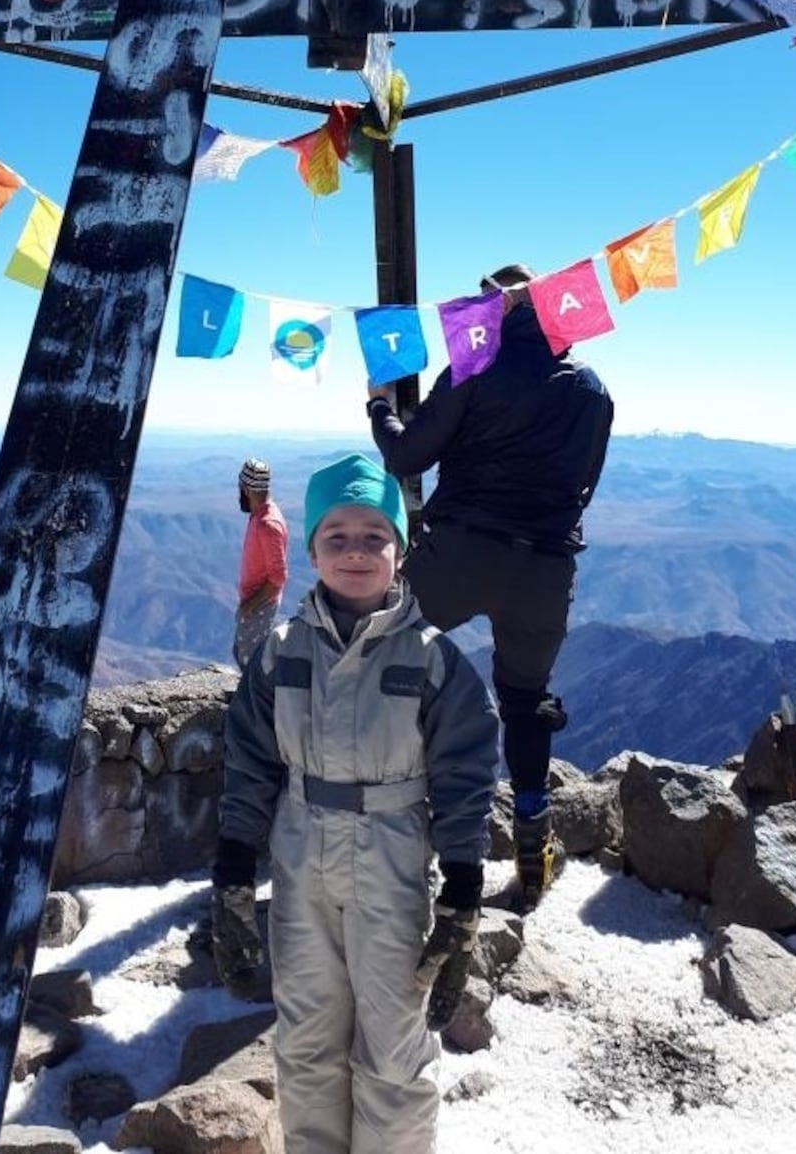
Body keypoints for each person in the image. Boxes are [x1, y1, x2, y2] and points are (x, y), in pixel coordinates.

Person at [210, 453, 500, 1154]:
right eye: (336, 535)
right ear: (310, 551)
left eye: (376, 535)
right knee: (305, 1041)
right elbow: (249, 765)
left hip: (393, 863)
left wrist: (462, 893)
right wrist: (232, 875)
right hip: (301, 858)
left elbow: (465, 776)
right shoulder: (281, 654)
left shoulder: (432, 661)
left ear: (401, 551)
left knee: (394, 1050)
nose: (356, 551)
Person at [367, 263, 614, 909]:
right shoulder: (593, 389)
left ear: (504, 307)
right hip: (545, 570)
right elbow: (585, 480)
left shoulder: (474, 369)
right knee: (526, 702)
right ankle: (533, 850)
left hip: (460, 553)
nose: (472, 312)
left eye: (483, 301)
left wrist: (376, 406)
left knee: (381, 659)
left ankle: (379, 828)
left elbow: (406, 457)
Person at [233, 457, 289, 669]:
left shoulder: (267, 524)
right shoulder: (262, 515)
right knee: (243, 653)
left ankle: (256, 701)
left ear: (246, 489)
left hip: (260, 604)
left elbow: (278, 577)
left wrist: (250, 605)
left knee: (250, 660)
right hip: (257, 601)